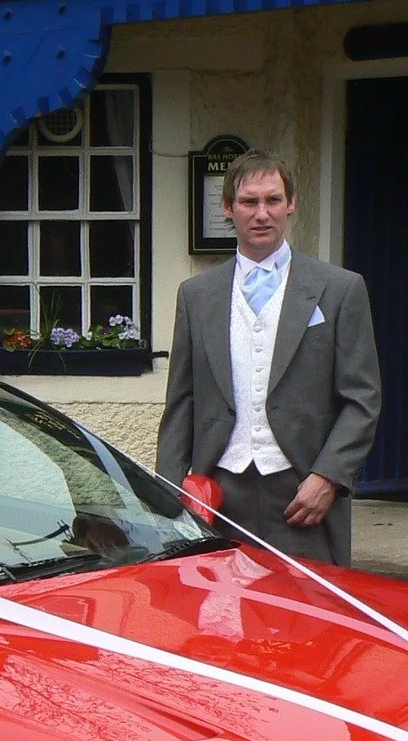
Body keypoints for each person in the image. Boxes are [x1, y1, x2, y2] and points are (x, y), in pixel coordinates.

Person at [156, 151, 381, 565]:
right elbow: (181, 403)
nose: (262, 214)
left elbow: (362, 399)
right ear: (228, 207)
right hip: (218, 491)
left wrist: (328, 477)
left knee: (311, 618)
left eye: (273, 200)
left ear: (291, 203)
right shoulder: (196, 295)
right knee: (219, 617)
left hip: (302, 491)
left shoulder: (340, 289)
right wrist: (170, 497)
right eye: (249, 202)